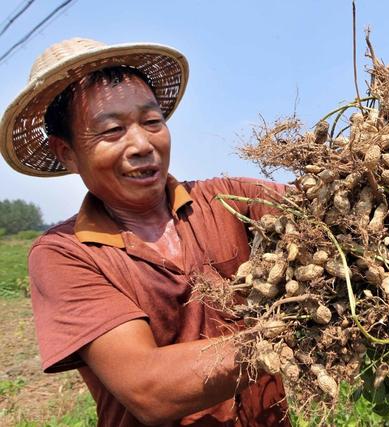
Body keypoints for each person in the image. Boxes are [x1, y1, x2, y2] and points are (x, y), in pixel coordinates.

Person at [0, 38, 290, 426]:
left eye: (152, 122)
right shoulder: (63, 254)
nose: (142, 144)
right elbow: (149, 389)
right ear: (66, 152)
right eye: (112, 130)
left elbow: (319, 208)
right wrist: (295, 331)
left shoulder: (228, 199)